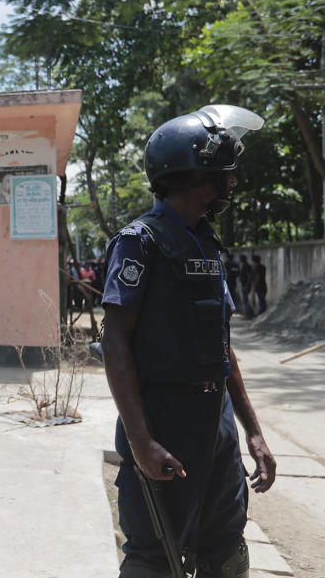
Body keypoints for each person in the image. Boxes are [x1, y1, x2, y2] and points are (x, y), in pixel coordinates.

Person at [101, 105, 276, 577]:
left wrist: (252, 431)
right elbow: (113, 342)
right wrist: (139, 442)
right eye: (225, 171)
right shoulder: (139, 243)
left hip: (215, 429)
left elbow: (223, 345)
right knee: (154, 558)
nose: (232, 182)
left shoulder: (207, 244)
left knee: (225, 549)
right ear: (196, 172)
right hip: (163, 424)